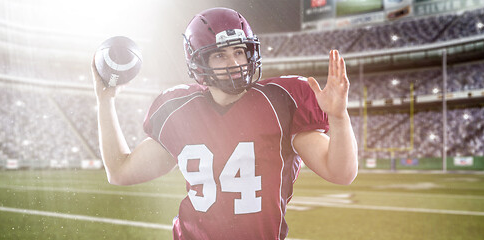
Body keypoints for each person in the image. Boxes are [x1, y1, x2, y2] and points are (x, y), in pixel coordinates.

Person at [92, 7, 358, 240]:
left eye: (239, 52)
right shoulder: (178, 110)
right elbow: (120, 171)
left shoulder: (283, 100)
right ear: (199, 61)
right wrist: (105, 100)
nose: (234, 63)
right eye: (220, 55)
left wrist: (338, 118)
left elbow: (340, 172)